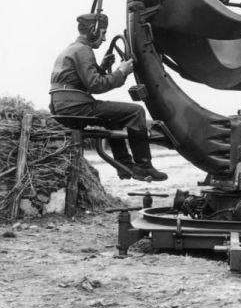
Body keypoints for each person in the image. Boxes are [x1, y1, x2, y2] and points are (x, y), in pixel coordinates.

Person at [49, 12, 168, 182]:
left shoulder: (72, 49)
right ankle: (143, 166)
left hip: (63, 106)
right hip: (76, 107)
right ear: (93, 31)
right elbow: (96, 85)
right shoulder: (84, 50)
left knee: (114, 118)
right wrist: (121, 71)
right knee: (136, 112)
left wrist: (104, 67)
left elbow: (81, 81)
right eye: (103, 33)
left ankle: (125, 166)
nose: (104, 39)